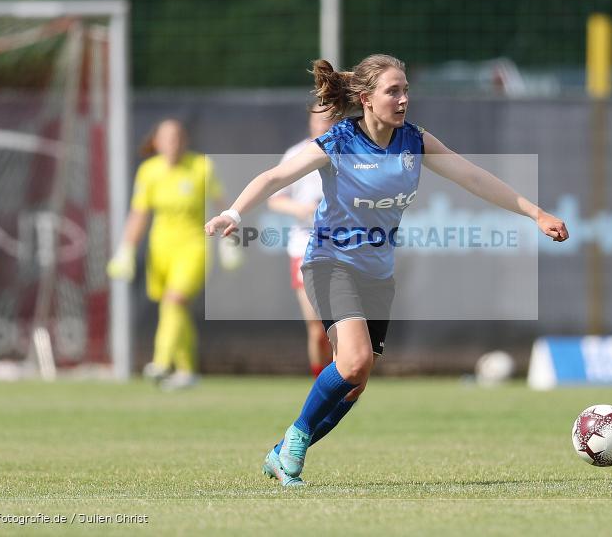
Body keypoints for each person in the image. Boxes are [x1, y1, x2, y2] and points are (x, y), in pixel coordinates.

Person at [204, 54, 568, 486]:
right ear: (366, 99)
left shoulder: (413, 141)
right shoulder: (339, 140)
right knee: (354, 362)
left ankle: (281, 453)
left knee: (354, 383)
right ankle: (295, 444)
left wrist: (535, 212)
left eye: (406, 90)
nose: (403, 99)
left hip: (376, 275)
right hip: (328, 261)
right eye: (392, 91)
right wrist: (234, 213)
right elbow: (274, 178)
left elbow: (473, 177)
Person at [108, 119, 234, 390]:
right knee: (176, 309)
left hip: (194, 246)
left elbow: (222, 204)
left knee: (174, 300)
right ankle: (187, 371)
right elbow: (140, 213)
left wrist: (229, 242)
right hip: (161, 249)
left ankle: (161, 361)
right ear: (156, 142)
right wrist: (126, 249)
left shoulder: (202, 167)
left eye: (177, 137)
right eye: (166, 138)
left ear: (184, 140)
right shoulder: (149, 171)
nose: (172, 143)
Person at [267, 105, 337, 377]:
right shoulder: (296, 155)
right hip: (304, 246)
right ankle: (321, 383)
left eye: (328, 118)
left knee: (338, 326)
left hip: (342, 247)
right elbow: (276, 198)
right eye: (317, 117)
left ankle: (341, 385)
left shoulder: (349, 153)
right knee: (316, 327)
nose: (322, 123)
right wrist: (303, 210)